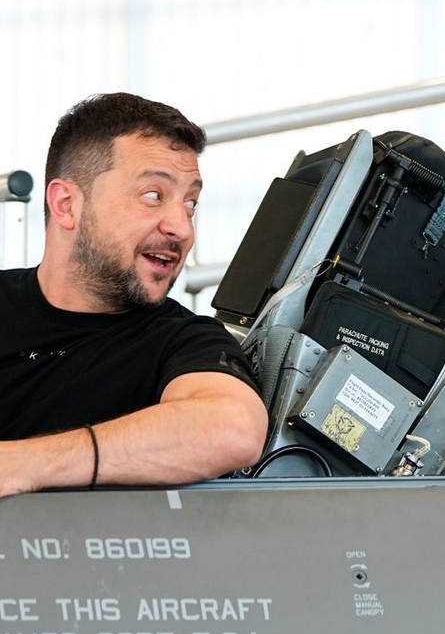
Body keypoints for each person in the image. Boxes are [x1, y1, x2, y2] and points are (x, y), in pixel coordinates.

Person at [0, 93, 267, 497]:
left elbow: (232, 428)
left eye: (191, 203)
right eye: (153, 195)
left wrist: (25, 465)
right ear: (66, 204)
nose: (182, 228)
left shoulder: (184, 340)